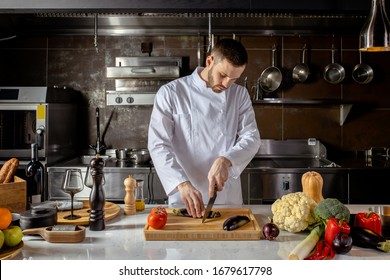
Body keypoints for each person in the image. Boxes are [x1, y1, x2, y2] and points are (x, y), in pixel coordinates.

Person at [148, 38, 261, 218]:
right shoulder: (171, 93)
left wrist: (226, 159)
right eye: (223, 75)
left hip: (227, 196)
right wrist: (182, 184)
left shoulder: (239, 95)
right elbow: (158, 144)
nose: (226, 85)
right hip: (185, 193)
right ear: (210, 61)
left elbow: (252, 138)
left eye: (234, 79)